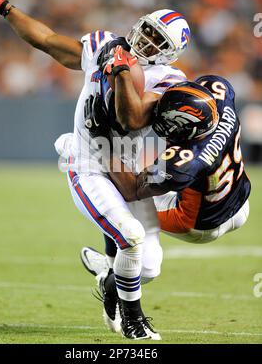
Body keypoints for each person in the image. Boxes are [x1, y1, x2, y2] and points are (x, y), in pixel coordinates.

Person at [0, 0, 191, 340]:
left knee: (149, 265)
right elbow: (48, 40)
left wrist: (120, 75)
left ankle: (108, 277)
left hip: (127, 173)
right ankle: (133, 320)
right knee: (131, 238)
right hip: (87, 164)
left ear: (171, 54)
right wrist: (6, 8)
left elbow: (131, 119)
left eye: (157, 39)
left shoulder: (170, 81)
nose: (147, 39)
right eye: (147, 29)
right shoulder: (105, 45)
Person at [81, 75, 251, 283]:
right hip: (239, 200)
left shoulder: (185, 162)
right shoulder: (218, 94)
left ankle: (110, 275)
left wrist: (103, 140)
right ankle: (112, 264)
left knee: (118, 195)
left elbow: (131, 189)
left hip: (196, 223)